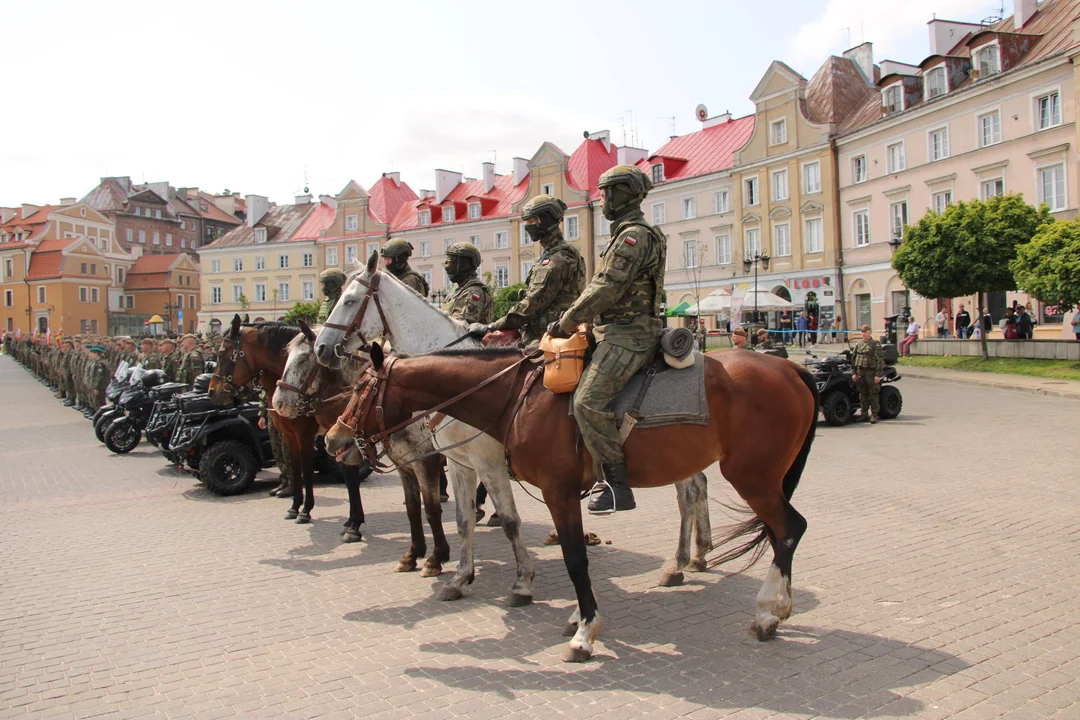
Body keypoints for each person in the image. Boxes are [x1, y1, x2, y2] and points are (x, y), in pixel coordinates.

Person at [549, 164, 665, 514]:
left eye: (605, 192)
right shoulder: (622, 234)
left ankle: (617, 485)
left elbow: (607, 288)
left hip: (630, 334)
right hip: (611, 330)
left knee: (587, 401)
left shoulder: (635, 236)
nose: (601, 200)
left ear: (624, 194)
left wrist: (567, 322)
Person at [472, 195, 586, 346]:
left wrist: (493, 326)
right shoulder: (552, 254)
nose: (527, 227)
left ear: (545, 221)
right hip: (545, 336)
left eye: (532, 221)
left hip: (548, 339)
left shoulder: (557, 258)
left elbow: (534, 302)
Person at [442, 243, 493, 324]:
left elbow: (459, 328)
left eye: (451, 261)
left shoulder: (473, 291)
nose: (447, 265)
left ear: (463, 264)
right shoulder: (458, 289)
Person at [851, 324, 884, 423]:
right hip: (861, 372)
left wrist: (878, 375)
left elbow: (880, 360)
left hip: (871, 373)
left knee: (873, 394)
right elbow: (853, 359)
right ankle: (864, 414)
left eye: (866, 332)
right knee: (862, 394)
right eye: (862, 332)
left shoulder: (875, 344)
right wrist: (854, 373)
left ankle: (874, 414)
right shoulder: (858, 345)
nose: (864, 334)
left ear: (870, 332)